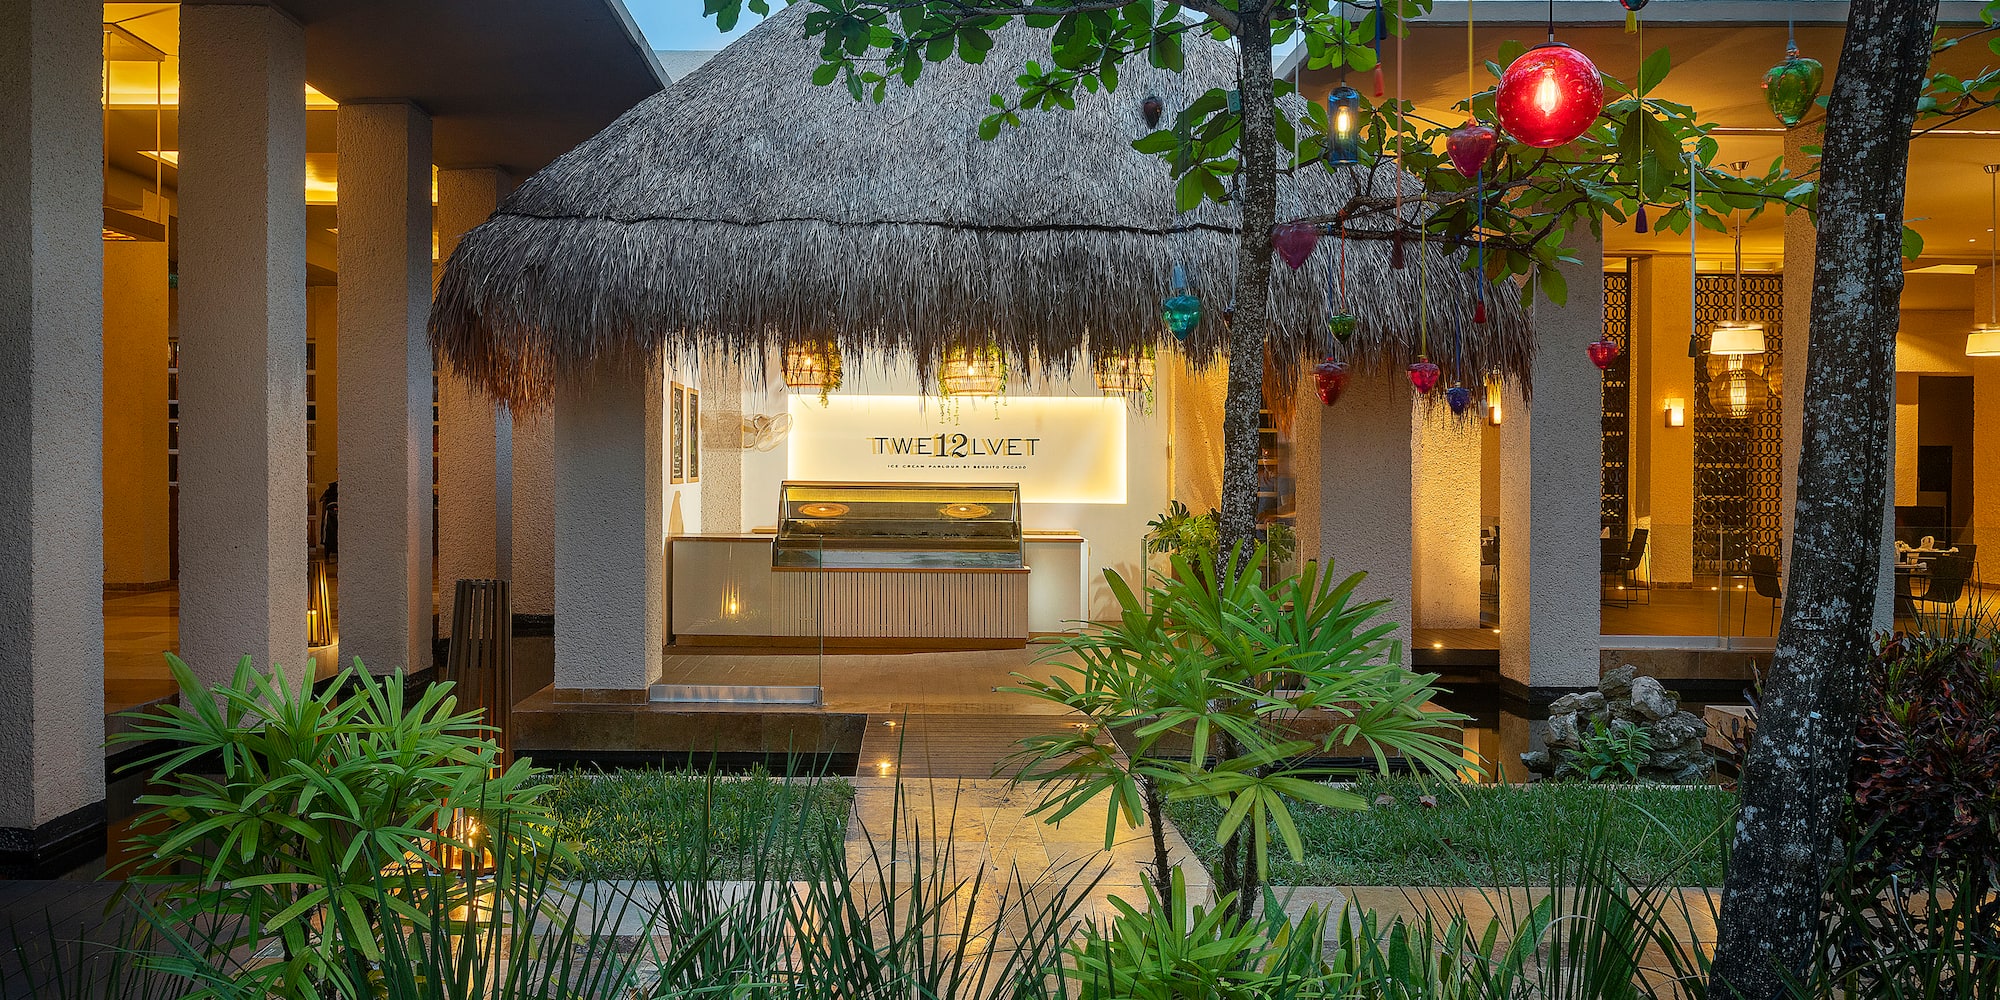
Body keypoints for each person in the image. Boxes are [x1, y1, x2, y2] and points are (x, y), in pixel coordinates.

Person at [319, 480, 338, 557]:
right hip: (333, 514)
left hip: (329, 513)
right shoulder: (340, 490)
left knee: (328, 532)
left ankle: (328, 552)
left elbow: (321, 499)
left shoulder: (329, 491)